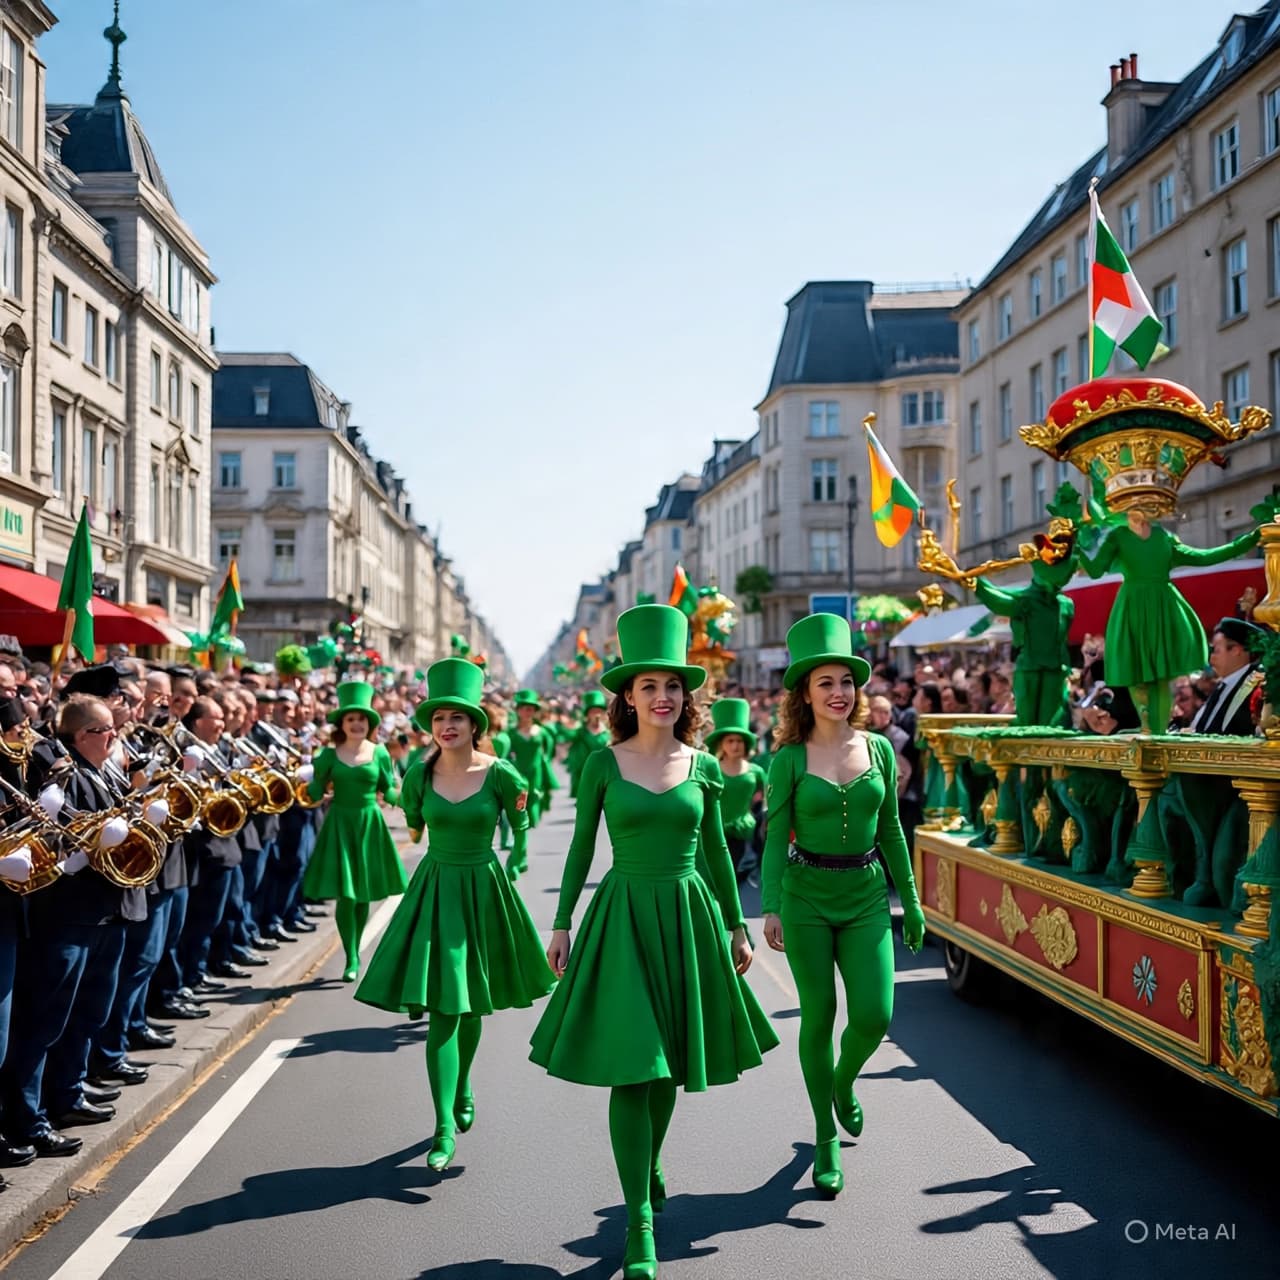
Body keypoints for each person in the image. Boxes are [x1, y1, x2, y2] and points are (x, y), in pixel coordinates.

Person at [530, 605, 777, 1280]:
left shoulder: (704, 765)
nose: (663, 696)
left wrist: (734, 922)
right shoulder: (600, 763)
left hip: (690, 914)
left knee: (667, 1061)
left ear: (685, 696)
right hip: (623, 915)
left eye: (673, 686)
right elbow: (582, 847)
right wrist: (561, 923)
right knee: (633, 1065)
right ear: (627, 697)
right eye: (648, 686)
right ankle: (637, 1216)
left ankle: (650, 1157)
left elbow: (722, 856)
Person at [356, 659, 553, 1172]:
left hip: (484, 888)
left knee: (471, 1006)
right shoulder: (417, 776)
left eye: (458, 718)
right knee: (444, 1008)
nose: (447, 725)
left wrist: (520, 854)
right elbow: (415, 827)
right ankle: (443, 1125)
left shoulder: (501, 773)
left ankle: (463, 1083)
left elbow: (521, 818)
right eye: (439, 717)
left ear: (475, 726)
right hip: (437, 888)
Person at [760, 614, 925, 1198]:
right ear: (805, 693)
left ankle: (844, 1082)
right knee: (819, 1014)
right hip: (805, 897)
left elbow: (894, 831)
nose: (838, 692)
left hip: (864, 897)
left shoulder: (879, 747)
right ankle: (824, 1136)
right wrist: (772, 906)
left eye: (846, 681)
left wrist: (912, 897)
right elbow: (775, 839)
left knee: (875, 1015)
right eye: (825, 682)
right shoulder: (787, 759)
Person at [1077, 499, 1260, 734]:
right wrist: (1078, 542)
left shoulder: (1163, 536)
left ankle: (1159, 733)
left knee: (1160, 675)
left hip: (1161, 607)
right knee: (1137, 673)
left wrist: (1249, 540)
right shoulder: (1118, 536)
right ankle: (1146, 730)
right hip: (1133, 607)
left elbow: (1204, 557)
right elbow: (1094, 570)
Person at [301, 682, 407, 982]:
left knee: (363, 896)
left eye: (362, 719)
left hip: (370, 824)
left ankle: (355, 950)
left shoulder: (381, 753)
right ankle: (351, 956)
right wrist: (306, 778)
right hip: (340, 824)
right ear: (342, 724)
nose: (357, 724)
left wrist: (412, 799)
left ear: (370, 723)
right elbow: (315, 792)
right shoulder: (328, 756)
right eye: (351, 719)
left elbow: (388, 789)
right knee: (346, 896)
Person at [702, 697, 765, 883]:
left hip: (744, 835)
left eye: (739, 740)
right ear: (722, 744)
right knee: (715, 881)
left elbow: (766, 804)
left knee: (736, 880)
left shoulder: (756, 772)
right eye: (730, 741)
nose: (735, 745)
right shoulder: (711, 770)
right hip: (715, 834)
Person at [1189, 618, 1264, 737]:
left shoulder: (1255, 685)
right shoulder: (1223, 685)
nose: (1211, 658)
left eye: (1216, 651)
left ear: (1235, 650)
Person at [565, 690, 611, 798]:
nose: (597, 714)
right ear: (587, 714)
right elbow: (566, 737)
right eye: (593, 711)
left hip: (604, 774)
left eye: (599, 711)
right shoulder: (580, 731)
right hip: (584, 773)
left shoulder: (609, 732)